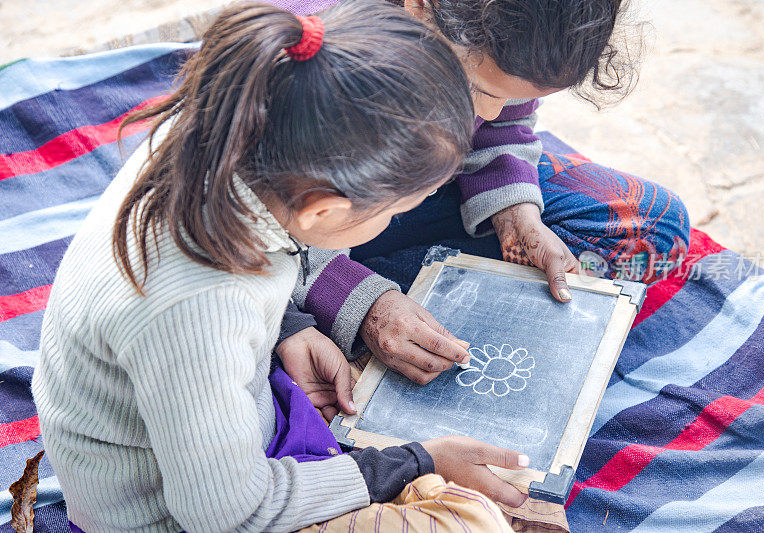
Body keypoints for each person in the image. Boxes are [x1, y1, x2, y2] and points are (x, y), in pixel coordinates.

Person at [31, 2, 531, 531]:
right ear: (321, 210)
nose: (394, 222)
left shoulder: (221, 126)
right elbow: (231, 514)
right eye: (396, 211)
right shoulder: (198, 307)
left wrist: (286, 327)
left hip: (202, 423)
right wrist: (414, 463)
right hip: (171, 514)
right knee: (471, 521)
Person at [276, 0, 691, 414]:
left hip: (393, 198)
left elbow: (501, 123)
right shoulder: (310, 62)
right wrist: (358, 303)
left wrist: (515, 214)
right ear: (419, 9)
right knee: (266, 358)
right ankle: (324, 309)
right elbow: (248, 225)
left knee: (653, 226)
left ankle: (405, 311)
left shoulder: (504, 33)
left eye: (512, 97)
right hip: (293, 229)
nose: (489, 112)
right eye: (480, 90)